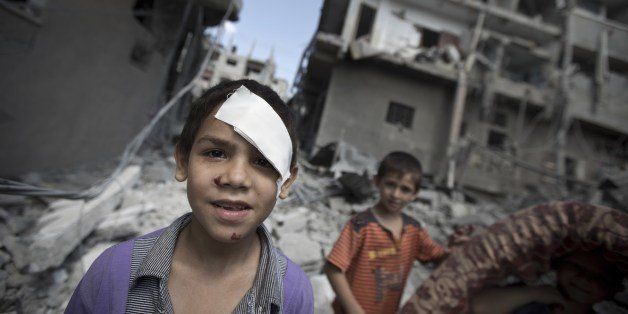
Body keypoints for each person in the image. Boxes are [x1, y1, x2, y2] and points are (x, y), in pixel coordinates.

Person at [66, 79, 314, 313]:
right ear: (183, 161)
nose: (236, 178)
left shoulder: (293, 294)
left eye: (262, 160)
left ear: (286, 181)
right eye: (216, 153)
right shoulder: (112, 273)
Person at [324, 152, 449, 314]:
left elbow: (439, 257)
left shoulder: (414, 230)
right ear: (377, 181)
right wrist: (353, 309)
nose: (396, 194)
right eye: (390, 184)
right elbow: (333, 268)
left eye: (405, 189)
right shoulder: (361, 226)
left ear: (415, 194)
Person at [471, 249, 625, 314]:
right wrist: (534, 293)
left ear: (613, 289)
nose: (585, 278)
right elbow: (477, 306)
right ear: (558, 266)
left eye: (600, 277)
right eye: (576, 266)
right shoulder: (528, 298)